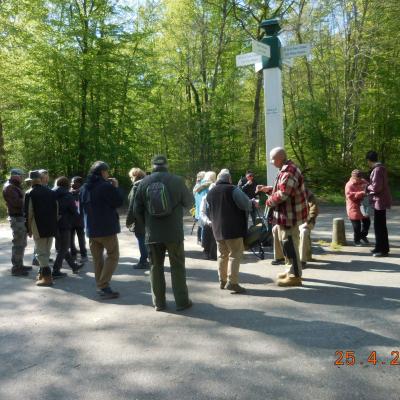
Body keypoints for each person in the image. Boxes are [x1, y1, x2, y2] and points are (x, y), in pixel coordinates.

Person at [134, 155, 193, 311]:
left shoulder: (144, 182)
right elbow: (189, 202)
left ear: (152, 166)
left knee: (155, 267)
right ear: (167, 165)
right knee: (177, 267)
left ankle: (159, 303)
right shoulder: (177, 180)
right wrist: (177, 213)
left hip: (153, 234)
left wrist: (147, 225)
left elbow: (136, 209)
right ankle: (182, 302)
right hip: (174, 233)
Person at [257, 147, 308, 287]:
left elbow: (283, 194)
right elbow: (281, 190)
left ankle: (295, 276)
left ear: (279, 158)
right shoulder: (285, 170)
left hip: (290, 217)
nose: (271, 161)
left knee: (290, 245)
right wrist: (268, 190)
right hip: (285, 216)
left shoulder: (289, 171)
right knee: (286, 245)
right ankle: (289, 270)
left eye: (272, 158)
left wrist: (268, 201)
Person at [206, 170, 257, 293]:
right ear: (229, 179)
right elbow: (245, 204)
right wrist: (252, 203)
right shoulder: (232, 189)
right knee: (235, 254)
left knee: (222, 255)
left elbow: (208, 211)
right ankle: (233, 282)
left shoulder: (210, 192)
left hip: (217, 229)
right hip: (233, 229)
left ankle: (222, 281)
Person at [80, 161, 123, 299]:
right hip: (106, 229)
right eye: (107, 172)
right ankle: (103, 285)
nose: (108, 174)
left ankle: (101, 286)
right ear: (103, 172)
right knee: (113, 255)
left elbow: (81, 209)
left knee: (97, 259)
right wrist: (115, 187)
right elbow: (118, 202)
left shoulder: (84, 188)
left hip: (91, 230)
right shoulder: (105, 186)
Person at [24, 170, 58, 286]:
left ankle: (47, 278)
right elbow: (56, 210)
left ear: (31, 181)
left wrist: (28, 229)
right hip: (51, 226)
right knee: (46, 252)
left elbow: (29, 213)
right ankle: (41, 274)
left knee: (40, 253)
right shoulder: (51, 192)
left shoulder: (30, 193)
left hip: (38, 227)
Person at [52, 177, 84, 279]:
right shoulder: (68, 195)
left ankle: (74, 266)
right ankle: (56, 270)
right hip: (65, 224)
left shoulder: (51, 193)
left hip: (53, 224)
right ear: (66, 184)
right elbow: (74, 210)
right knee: (63, 248)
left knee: (62, 246)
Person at [2, 168, 29, 276]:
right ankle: (16, 268)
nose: (22, 178)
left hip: (19, 217)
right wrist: (28, 199)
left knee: (22, 243)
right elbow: (17, 203)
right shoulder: (9, 187)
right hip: (16, 218)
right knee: (18, 243)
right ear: (14, 175)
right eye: (20, 175)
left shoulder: (14, 185)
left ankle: (20, 264)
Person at [366, 151, 391, 257]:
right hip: (380, 201)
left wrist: (367, 187)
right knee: (379, 225)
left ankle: (383, 250)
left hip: (379, 201)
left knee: (379, 226)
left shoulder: (377, 170)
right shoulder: (381, 168)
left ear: (368, 160)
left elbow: (376, 187)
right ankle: (379, 246)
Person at [126, 167, 149, 269]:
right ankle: (151, 260)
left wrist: (129, 221)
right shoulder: (149, 183)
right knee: (148, 239)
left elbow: (132, 206)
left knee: (141, 239)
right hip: (151, 218)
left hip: (140, 219)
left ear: (134, 176)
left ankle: (143, 261)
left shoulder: (136, 186)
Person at [345, 170, 371, 247]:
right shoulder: (349, 185)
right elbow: (350, 196)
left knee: (367, 222)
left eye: (360, 178)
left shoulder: (364, 182)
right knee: (357, 226)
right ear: (353, 177)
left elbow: (369, 188)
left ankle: (363, 235)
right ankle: (356, 240)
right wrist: (362, 193)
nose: (359, 179)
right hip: (353, 207)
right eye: (357, 178)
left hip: (363, 205)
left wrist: (368, 191)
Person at [299, 190, 319, 267]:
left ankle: (302, 260)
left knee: (303, 232)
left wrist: (307, 222)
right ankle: (279, 257)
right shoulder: (291, 193)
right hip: (294, 222)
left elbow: (314, 210)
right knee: (275, 229)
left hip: (307, 222)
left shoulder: (309, 195)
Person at [70, 176, 88, 263]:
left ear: (79, 184)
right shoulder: (68, 192)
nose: (72, 183)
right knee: (70, 238)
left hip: (80, 219)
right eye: (71, 182)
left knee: (81, 238)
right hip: (70, 220)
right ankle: (73, 254)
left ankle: (83, 254)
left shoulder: (84, 192)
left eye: (74, 182)